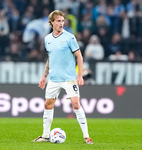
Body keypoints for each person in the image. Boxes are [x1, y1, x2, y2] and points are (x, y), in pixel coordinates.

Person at [32, 10, 93, 144]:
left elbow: (79, 56)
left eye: (62, 21)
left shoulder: (69, 37)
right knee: (48, 104)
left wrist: (80, 76)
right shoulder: (47, 39)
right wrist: (44, 76)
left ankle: (87, 136)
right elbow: (50, 58)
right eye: (58, 21)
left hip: (69, 78)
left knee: (76, 104)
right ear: (52, 22)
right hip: (53, 79)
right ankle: (45, 135)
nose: (61, 23)